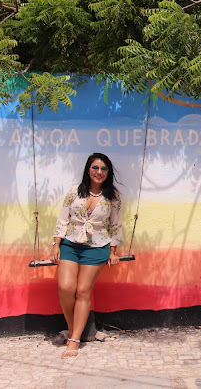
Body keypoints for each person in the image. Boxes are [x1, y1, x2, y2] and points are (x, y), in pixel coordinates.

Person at [50, 152, 123, 358]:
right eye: (95, 168)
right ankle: (75, 330)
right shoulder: (74, 192)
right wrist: (56, 244)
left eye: (103, 169)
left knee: (83, 291)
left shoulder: (112, 197)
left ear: (108, 173)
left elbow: (115, 225)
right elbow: (63, 218)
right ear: (88, 170)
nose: (99, 172)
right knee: (66, 287)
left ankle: (74, 340)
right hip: (70, 244)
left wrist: (113, 250)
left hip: (97, 246)